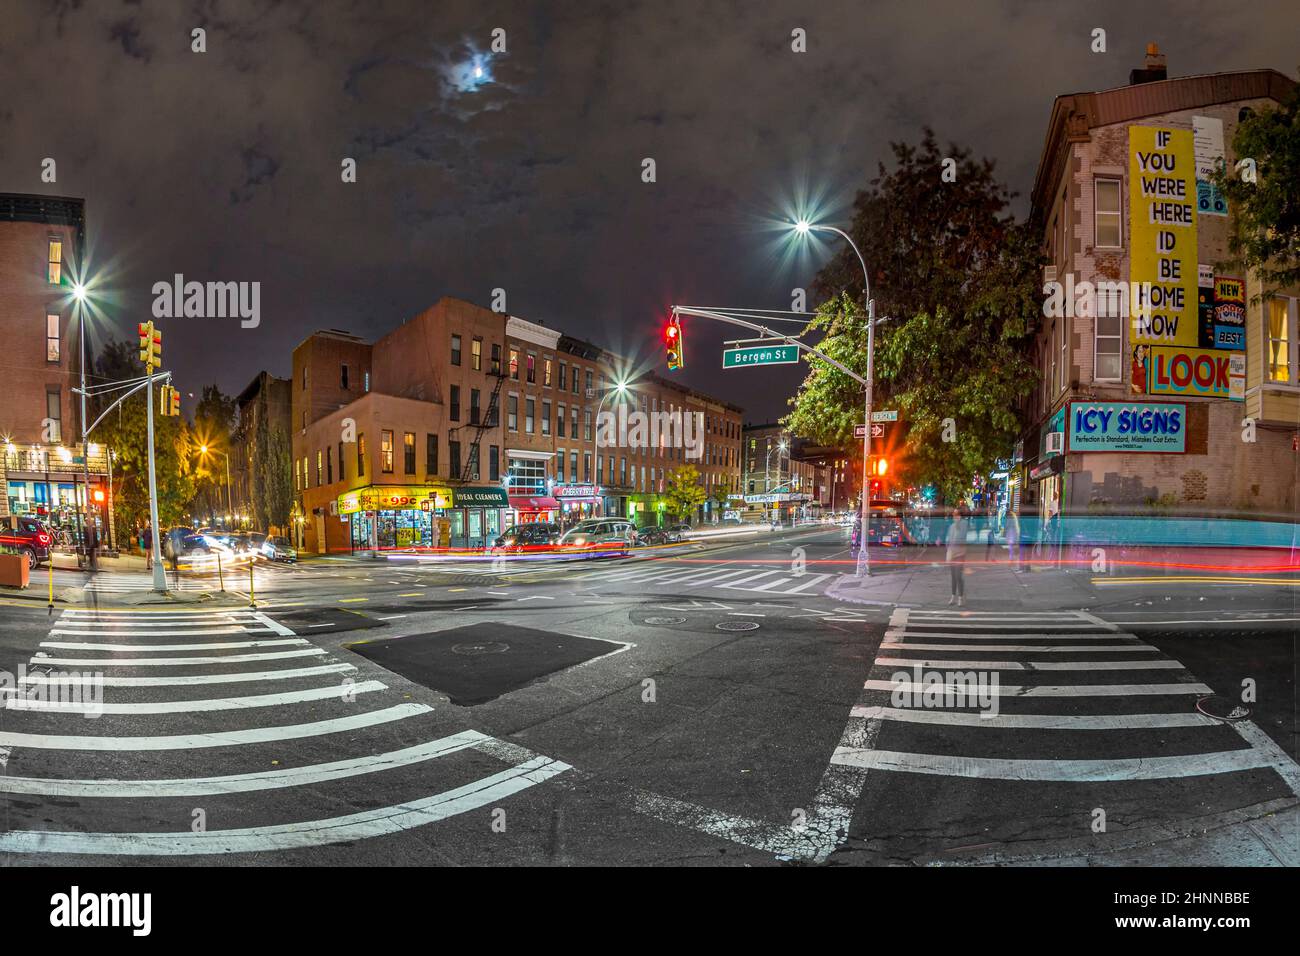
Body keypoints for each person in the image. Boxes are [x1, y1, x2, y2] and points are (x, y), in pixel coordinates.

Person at [945, 506, 968, 606]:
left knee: (958, 576)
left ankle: (960, 597)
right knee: (953, 576)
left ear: (960, 515)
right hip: (952, 553)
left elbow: (962, 537)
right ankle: (953, 596)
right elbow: (949, 539)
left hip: (960, 553)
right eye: (953, 514)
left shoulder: (964, 524)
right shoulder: (951, 526)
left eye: (957, 514)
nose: (955, 516)